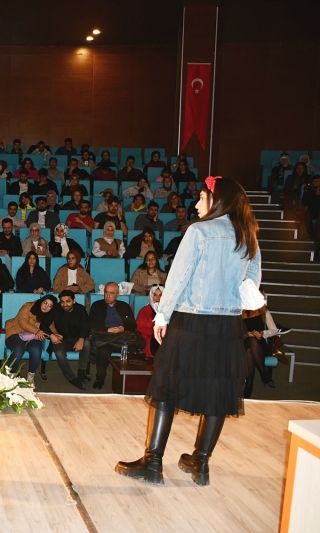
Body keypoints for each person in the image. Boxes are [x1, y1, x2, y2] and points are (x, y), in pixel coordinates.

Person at [116, 176, 260, 487]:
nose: (196, 204)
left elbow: (178, 277)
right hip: (227, 325)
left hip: (192, 320)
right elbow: (253, 284)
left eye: (202, 198)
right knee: (219, 391)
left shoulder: (199, 231)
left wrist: (162, 315)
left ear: (216, 200)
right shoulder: (248, 235)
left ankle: (153, 463)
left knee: (167, 387)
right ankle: (201, 463)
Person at [88, 282, 143, 389]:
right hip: (106, 337)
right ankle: (100, 379)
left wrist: (123, 328)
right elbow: (92, 325)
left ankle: (130, 380)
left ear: (117, 294)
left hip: (122, 337)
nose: (108, 296)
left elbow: (132, 324)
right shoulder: (97, 306)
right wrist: (108, 329)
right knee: (103, 351)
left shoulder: (124, 306)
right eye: (106, 293)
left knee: (133, 349)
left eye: (111, 293)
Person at [5, 295, 57, 383]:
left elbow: (51, 326)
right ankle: (11, 375)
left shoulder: (49, 315)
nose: (46, 307)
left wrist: (55, 334)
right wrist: (37, 331)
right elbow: (21, 321)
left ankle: (31, 376)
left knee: (36, 349)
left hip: (33, 336)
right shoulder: (29, 306)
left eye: (49, 306)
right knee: (18, 349)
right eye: (45, 303)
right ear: (41, 301)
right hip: (16, 332)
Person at [46, 290, 91, 390]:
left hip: (76, 337)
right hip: (62, 339)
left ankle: (81, 371)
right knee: (59, 352)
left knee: (87, 342)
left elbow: (86, 326)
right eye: (62, 301)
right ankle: (71, 377)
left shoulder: (81, 309)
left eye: (68, 301)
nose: (65, 304)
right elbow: (44, 324)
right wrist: (52, 335)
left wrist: (81, 338)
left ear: (74, 301)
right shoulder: (56, 309)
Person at [136, 284, 164, 360]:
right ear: (151, 296)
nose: (157, 298)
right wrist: (155, 332)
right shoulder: (144, 311)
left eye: (160, 295)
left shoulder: (168, 312)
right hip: (148, 338)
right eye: (155, 295)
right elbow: (139, 328)